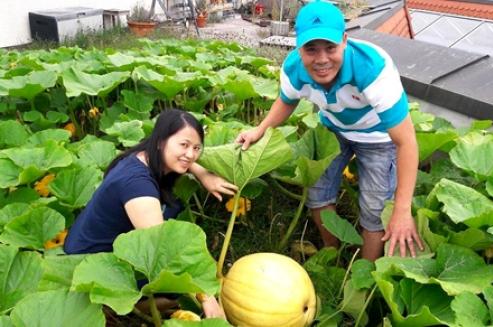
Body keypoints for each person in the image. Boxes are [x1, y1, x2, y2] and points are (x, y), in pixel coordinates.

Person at [235, 0, 423, 260]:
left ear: (345, 41)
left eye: (330, 47)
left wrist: (402, 210)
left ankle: (364, 275)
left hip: (378, 137)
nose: (321, 59)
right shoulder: (294, 69)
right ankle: (331, 256)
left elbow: (407, 142)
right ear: (298, 47)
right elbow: (287, 101)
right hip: (333, 129)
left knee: (375, 209)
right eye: (311, 49)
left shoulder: (373, 69)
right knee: (317, 193)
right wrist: (260, 129)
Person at [65, 108, 238, 318]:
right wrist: (207, 297)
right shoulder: (139, 187)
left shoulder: (142, 157)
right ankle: (113, 310)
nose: (191, 154)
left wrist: (203, 174)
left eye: (196, 148)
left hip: (90, 243)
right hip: (91, 262)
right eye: (183, 145)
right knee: (171, 290)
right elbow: (162, 249)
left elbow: (185, 158)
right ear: (160, 141)